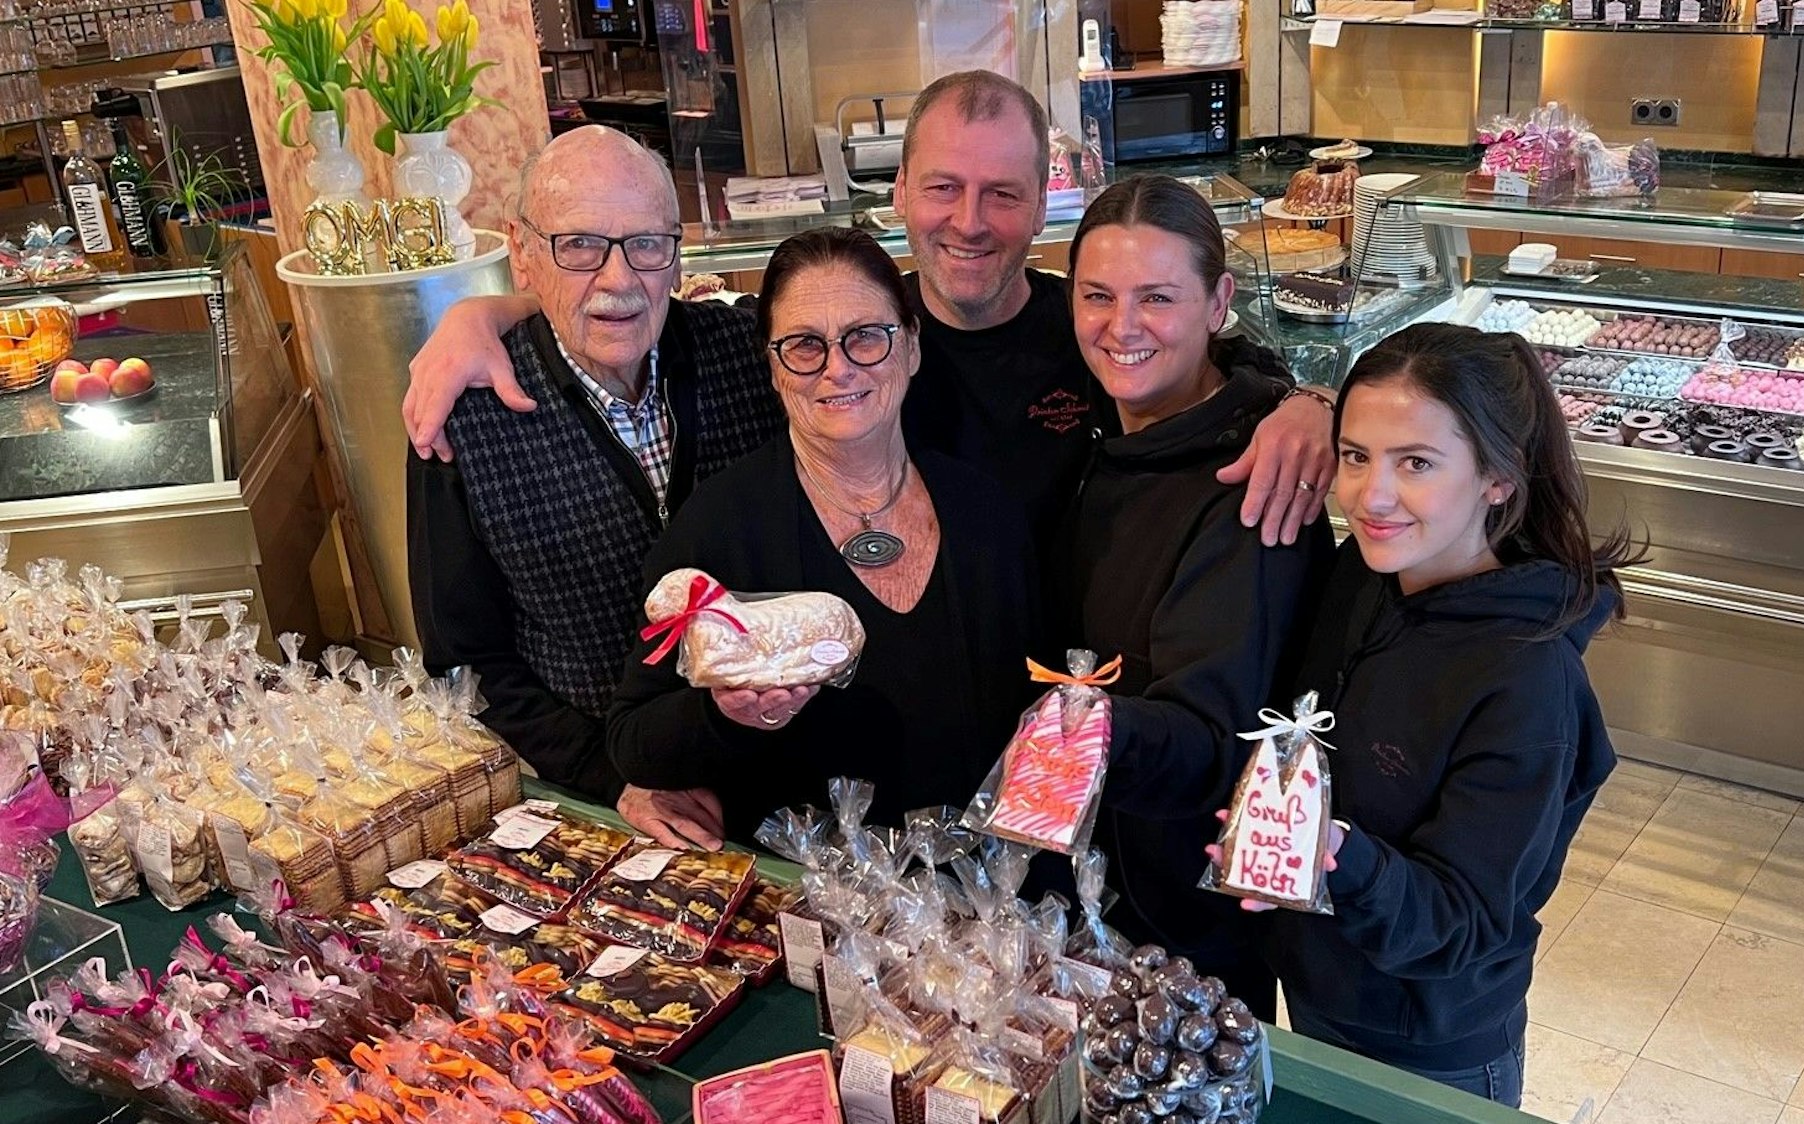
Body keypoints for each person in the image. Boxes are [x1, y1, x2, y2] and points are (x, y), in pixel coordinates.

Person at [399, 71, 1336, 553]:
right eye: (942, 187)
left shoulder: (1085, 330)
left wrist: (1298, 400)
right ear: (902, 193)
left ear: (1041, 200)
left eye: (1002, 194)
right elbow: (628, 301)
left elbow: (1203, 360)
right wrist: (486, 314)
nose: (968, 223)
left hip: (1063, 694)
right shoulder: (832, 337)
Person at [1219, 323, 1639, 1106]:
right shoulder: (1364, 574)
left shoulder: (1526, 680)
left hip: (1428, 1043)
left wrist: (1342, 856)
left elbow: (1468, 920)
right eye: (1354, 456)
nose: (1371, 497)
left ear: (1497, 478)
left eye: (1415, 463)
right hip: (1314, 986)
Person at [406, 126, 785, 847]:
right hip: (611, 800)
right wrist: (612, 781)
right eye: (579, 245)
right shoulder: (466, 415)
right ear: (522, 252)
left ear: (676, 254)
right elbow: (466, 661)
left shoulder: (747, 355)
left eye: (647, 244)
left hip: (782, 773)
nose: (618, 280)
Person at [603, 227, 1040, 839]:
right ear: (774, 369)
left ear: (911, 347)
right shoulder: (720, 527)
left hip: (993, 898)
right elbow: (634, 740)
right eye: (805, 345)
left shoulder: (985, 510)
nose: (838, 369)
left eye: (865, 337)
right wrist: (725, 714)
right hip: (812, 905)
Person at [1057, 176, 1333, 1020]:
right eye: (1096, 296)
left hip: (1178, 928)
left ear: (1218, 302)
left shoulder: (1253, 486)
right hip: (1086, 898)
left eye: (1157, 298)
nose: (1121, 327)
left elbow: (1215, 741)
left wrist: (1065, 729)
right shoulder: (1100, 431)